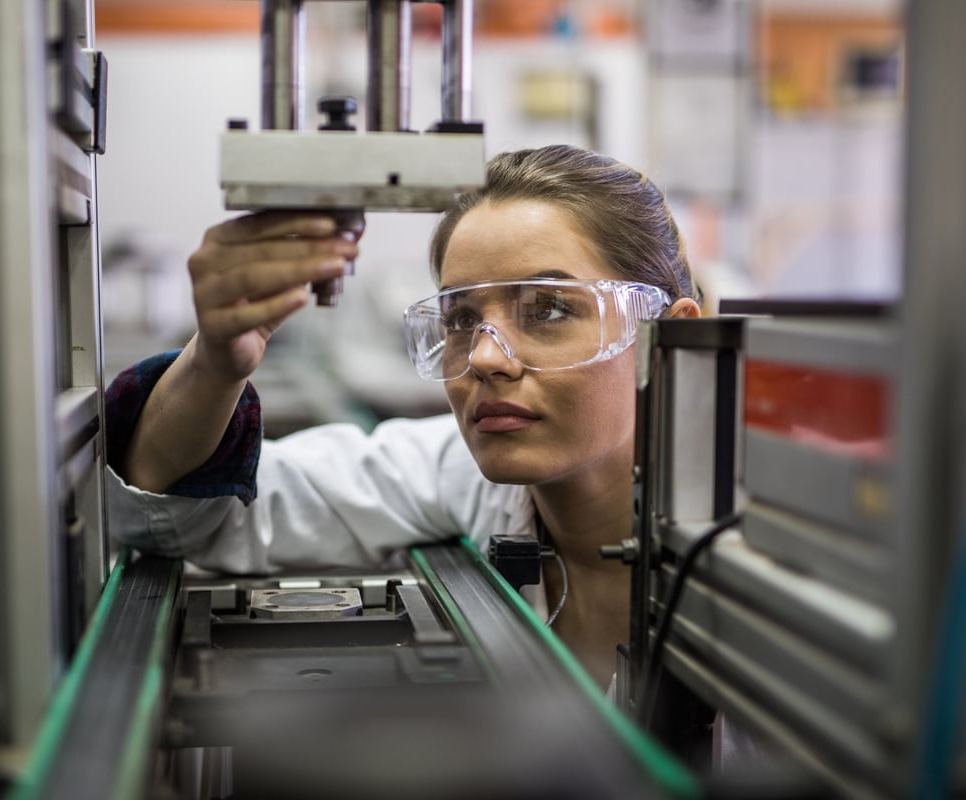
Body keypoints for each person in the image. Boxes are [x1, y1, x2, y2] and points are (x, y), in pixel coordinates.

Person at [105, 144, 701, 686]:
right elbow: (183, 516)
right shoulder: (451, 474)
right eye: (463, 319)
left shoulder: (765, 540)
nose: (486, 357)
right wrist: (215, 362)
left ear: (668, 339)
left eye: (547, 308)